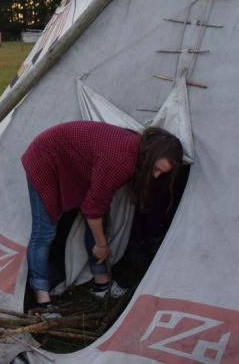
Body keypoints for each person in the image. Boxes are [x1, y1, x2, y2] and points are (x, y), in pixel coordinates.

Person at [21, 120, 183, 313]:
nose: (156, 176)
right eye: (155, 169)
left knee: (100, 219)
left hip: (71, 163)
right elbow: (92, 210)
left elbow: (96, 206)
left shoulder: (136, 149)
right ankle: (42, 300)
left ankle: (101, 284)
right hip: (44, 158)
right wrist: (102, 245)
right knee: (44, 232)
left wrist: (100, 242)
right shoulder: (122, 162)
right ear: (150, 157)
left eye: (161, 173)